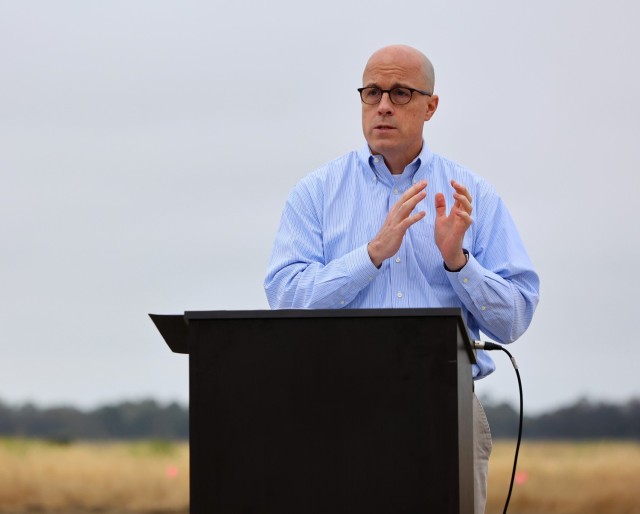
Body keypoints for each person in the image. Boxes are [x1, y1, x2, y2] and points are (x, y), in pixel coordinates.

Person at [264, 44, 540, 514]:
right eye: (372, 92)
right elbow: (285, 297)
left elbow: (514, 318)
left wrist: (459, 262)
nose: (384, 105)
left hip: (444, 408)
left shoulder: (472, 195)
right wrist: (370, 256)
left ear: (431, 106)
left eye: (400, 93)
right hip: (335, 407)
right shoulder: (316, 193)